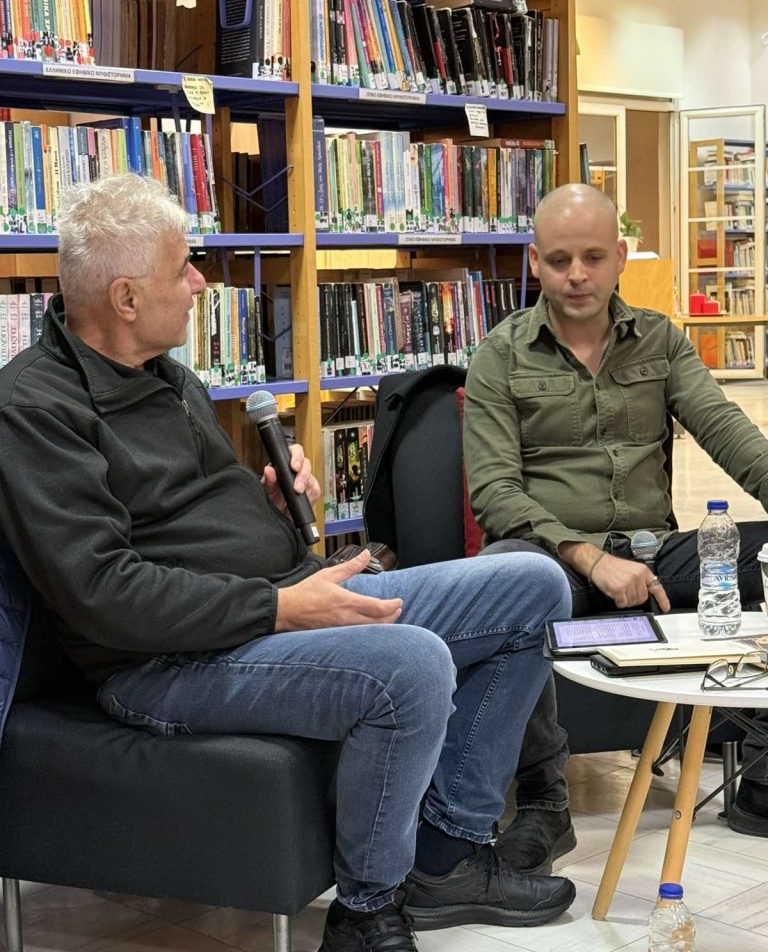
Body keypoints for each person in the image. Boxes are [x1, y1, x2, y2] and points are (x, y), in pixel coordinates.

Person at [0, 174, 577, 952]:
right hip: (165, 663)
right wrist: (280, 609)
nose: (201, 283)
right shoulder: (34, 410)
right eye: (183, 267)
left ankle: (445, 854)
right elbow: (103, 593)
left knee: (535, 586)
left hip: (275, 600)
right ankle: (366, 913)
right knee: (410, 667)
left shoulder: (170, 378)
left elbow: (194, 522)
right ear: (126, 298)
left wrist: (270, 507)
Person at [463, 182, 768, 855]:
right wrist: (588, 556)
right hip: (552, 562)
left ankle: (761, 777)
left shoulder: (659, 341)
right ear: (535, 261)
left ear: (621, 258)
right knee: (505, 581)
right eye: (560, 260)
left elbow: (728, 433)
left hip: (659, 555)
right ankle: (544, 803)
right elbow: (495, 493)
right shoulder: (499, 355)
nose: (577, 275)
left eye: (593, 258)